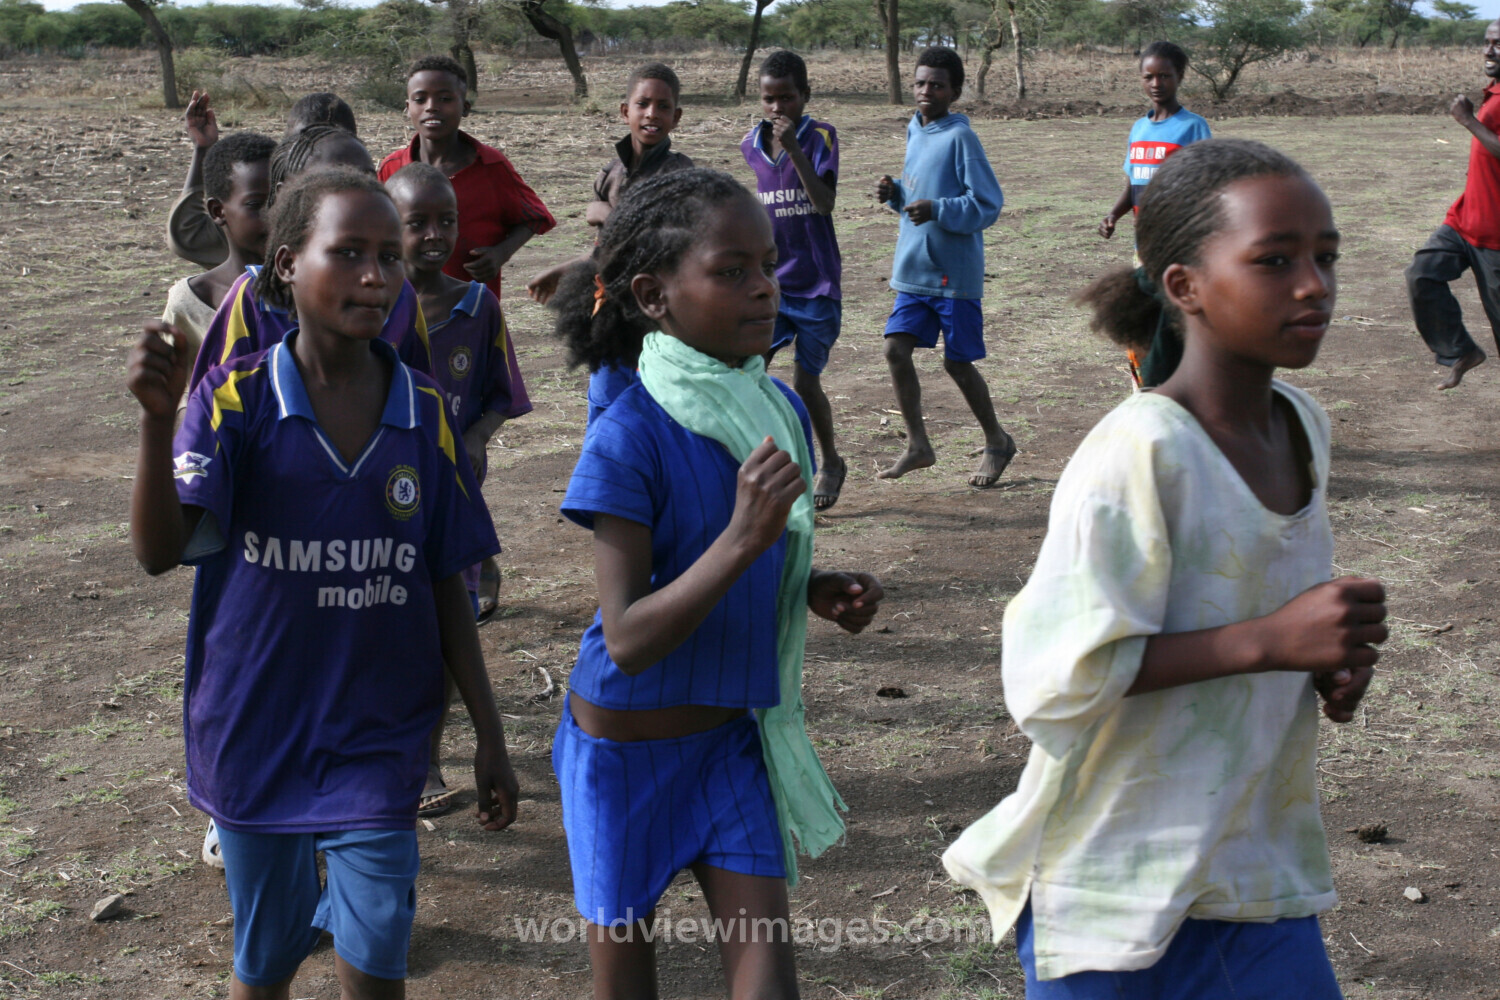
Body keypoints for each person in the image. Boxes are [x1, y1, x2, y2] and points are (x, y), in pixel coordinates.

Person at [941, 139, 1386, 997]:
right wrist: (1268, 642)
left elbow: (1261, 625)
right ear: (1184, 287)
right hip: (1115, 892)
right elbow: (1050, 680)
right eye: (1275, 260)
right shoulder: (1140, 451)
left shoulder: (1303, 425)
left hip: (1253, 876)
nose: (1314, 285)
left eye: (1326, 257)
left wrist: (1326, 659)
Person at [127, 167, 519, 998]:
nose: (376, 275)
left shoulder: (423, 411)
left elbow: (446, 574)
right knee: (264, 964)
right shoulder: (235, 403)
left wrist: (488, 731)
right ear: (285, 267)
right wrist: (159, 422)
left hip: (379, 737)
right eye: (346, 253)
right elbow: (162, 552)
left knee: (377, 963)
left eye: (387, 253)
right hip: (257, 730)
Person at [547, 168, 884, 999]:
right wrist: (741, 542)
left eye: (768, 266)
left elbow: (754, 552)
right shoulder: (629, 437)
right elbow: (626, 639)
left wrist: (808, 584)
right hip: (623, 751)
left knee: (769, 981)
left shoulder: (777, 411)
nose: (764, 289)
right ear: (654, 297)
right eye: (731, 271)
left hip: (733, 736)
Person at [388, 161, 533, 813]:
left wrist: (476, 436)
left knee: (452, 633)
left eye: (446, 220)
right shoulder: (373, 308)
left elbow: (503, 395)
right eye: (416, 222)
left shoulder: (478, 307)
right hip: (387, 505)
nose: (434, 235)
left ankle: (427, 761)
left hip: (455, 500)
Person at [190, 126, 432, 393]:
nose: (358, 195)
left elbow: (421, 394)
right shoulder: (253, 298)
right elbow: (215, 404)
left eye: (367, 179)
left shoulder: (400, 295)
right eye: (334, 181)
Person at [875, 47, 1013, 488]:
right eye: (919, 83)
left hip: (954, 276)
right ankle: (918, 444)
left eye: (936, 84)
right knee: (895, 350)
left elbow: (986, 204)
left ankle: (997, 441)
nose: (925, 91)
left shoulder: (961, 139)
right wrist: (895, 193)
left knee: (957, 364)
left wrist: (937, 209)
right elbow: (918, 192)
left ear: (954, 90)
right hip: (913, 270)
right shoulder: (916, 129)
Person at [527, 62, 695, 423]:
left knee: (657, 413)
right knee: (604, 410)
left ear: (676, 117)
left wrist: (604, 212)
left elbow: (659, 239)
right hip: (610, 311)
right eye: (643, 104)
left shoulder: (680, 174)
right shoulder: (610, 173)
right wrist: (563, 268)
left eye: (663, 107)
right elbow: (606, 249)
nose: (652, 114)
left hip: (659, 316)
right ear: (625, 111)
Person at [742, 50, 847, 511]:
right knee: (748, 372)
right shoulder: (750, 145)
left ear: (805, 95)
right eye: (770, 99)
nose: (778, 108)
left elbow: (823, 203)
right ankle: (759, 466)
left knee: (806, 381)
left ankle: (831, 461)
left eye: (787, 97)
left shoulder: (821, 136)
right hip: (774, 284)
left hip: (818, 284)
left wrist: (797, 150)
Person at [378, 55, 555, 304]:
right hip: (406, 301)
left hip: (471, 305)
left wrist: (500, 254)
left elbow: (536, 216)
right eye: (420, 99)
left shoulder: (491, 166)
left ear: (466, 107)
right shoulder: (392, 168)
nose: (432, 107)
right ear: (407, 107)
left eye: (445, 99)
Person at [1097, 40, 1212, 388]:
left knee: (1176, 322)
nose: (1156, 83)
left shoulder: (1193, 127)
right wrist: (1114, 215)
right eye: (1149, 76)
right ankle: (1144, 396)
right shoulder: (1139, 128)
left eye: (1165, 75)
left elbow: (1205, 182)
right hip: (1142, 245)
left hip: (1178, 245)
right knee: (1141, 322)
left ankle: (1183, 393)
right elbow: (1134, 182)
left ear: (1180, 77)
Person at [1406, 19, 1500, 390]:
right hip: (1465, 221)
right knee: (1422, 273)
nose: (1488, 50)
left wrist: (1468, 121)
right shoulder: (1494, 90)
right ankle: (1460, 350)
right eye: (1487, 42)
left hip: (1496, 238)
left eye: (1498, 44)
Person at [168, 91, 356, 269]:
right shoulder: (269, 213)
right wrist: (203, 150)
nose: (313, 156)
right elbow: (190, 234)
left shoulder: (364, 217)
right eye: (302, 145)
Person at [162, 131, 275, 385]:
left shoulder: (309, 290)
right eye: (257, 204)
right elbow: (177, 390)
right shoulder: (191, 302)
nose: (274, 215)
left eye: (280, 199)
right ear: (217, 211)